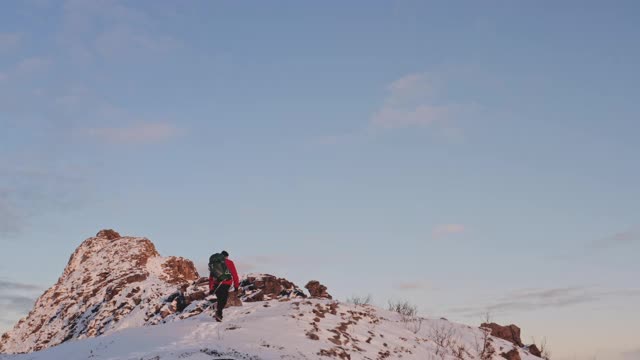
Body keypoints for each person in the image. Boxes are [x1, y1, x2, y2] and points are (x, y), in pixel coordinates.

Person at [209, 250, 239, 321]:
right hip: (226, 284)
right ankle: (219, 314)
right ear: (226, 256)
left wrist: (211, 288)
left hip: (216, 284)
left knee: (220, 299)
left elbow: (211, 277)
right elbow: (234, 274)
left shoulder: (214, 264)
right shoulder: (229, 262)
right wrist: (236, 286)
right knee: (223, 300)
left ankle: (218, 313)